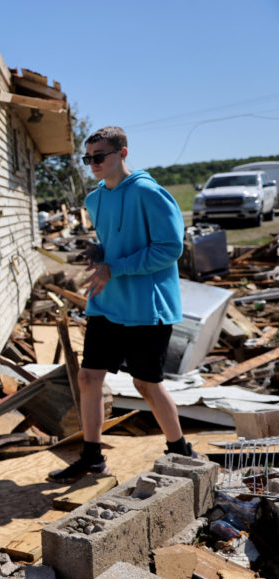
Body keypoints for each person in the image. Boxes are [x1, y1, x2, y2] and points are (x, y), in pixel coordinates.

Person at [49, 126, 198, 482]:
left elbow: (169, 249)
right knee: (88, 378)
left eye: (99, 157)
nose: (93, 164)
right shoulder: (95, 199)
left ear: (123, 153)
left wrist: (114, 266)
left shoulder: (149, 192)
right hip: (107, 301)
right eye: (88, 159)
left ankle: (181, 452)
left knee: (146, 384)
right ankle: (92, 457)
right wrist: (99, 253)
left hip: (146, 306)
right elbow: (114, 245)